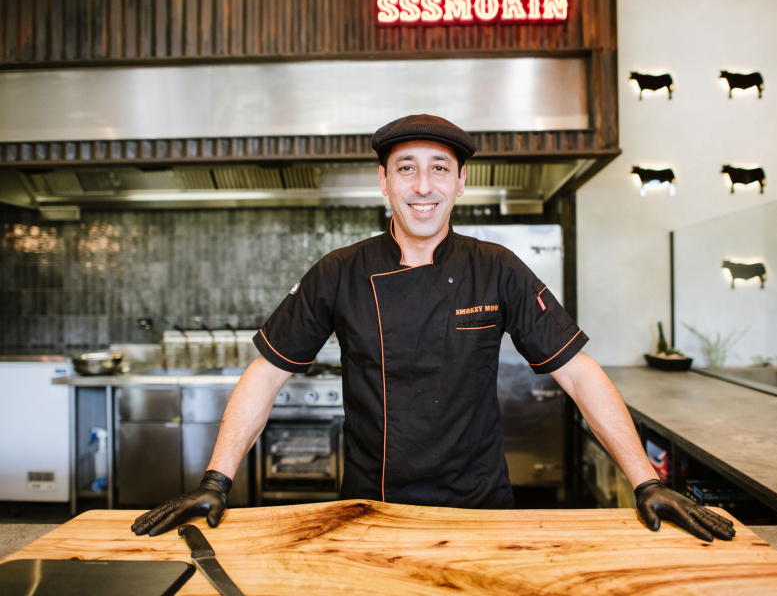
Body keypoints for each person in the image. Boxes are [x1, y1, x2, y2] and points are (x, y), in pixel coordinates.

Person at [132, 114, 735, 543]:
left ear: (460, 182)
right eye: (407, 169)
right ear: (384, 180)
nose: (424, 186)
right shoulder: (339, 272)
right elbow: (266, 375)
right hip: (370, 513)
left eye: (439, 169)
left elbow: (578, 374)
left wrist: (644, 482)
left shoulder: (497, 268)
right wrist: (216, 481)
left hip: (481, 512)